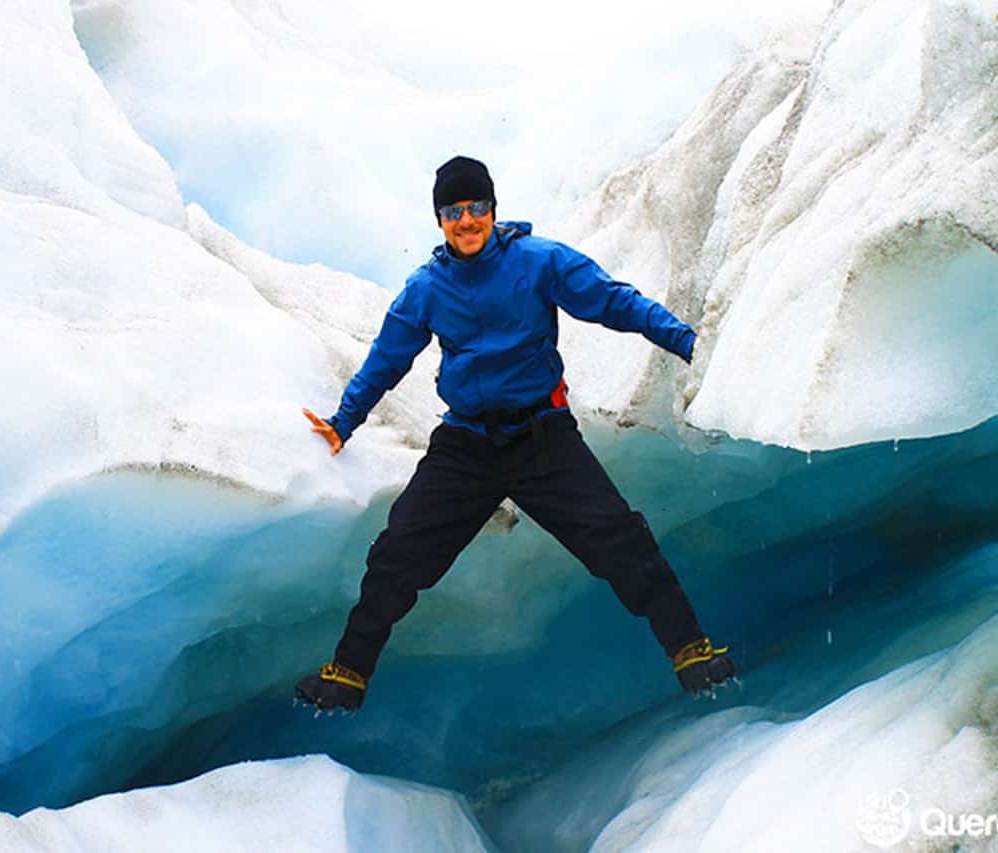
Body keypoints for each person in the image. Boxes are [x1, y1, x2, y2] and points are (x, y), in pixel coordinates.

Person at [295, 156, 734, 712]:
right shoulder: (426, 289)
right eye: (454, 211)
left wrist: (686, 342)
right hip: (465, 446)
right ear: (440, 220)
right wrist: (343, 422)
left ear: (493, 209)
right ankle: (348, 674)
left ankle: (690, 649)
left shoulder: (537, 261)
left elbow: (613, 301)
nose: (467, 220)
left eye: (477, 207)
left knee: (622, 541)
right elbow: (386, 361)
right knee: (397, 554)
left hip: (542, 435)